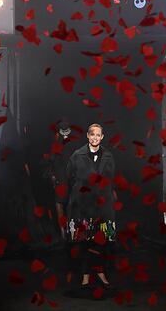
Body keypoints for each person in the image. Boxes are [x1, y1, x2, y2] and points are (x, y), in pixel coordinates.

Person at [66, 123, 116, 292]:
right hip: (82, 205)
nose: (95, 137)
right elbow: (69, 177)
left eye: (98, 135)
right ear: (87, 135)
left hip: (102, 205)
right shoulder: (77, 155)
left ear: (102, 137)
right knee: (83, 242)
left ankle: (100, 273)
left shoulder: (108, 156)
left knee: (101, 242)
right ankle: (85, 275)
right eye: (92, 134)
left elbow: (111, 179)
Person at [43, 120, 79, 239]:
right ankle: (70, 230)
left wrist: (52, 174)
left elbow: (52, 160)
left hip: (61, 176)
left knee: (59, 203)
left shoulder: (57, 143)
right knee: (70, 203)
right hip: (71, 177)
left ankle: (63, 230)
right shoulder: (73, 142)